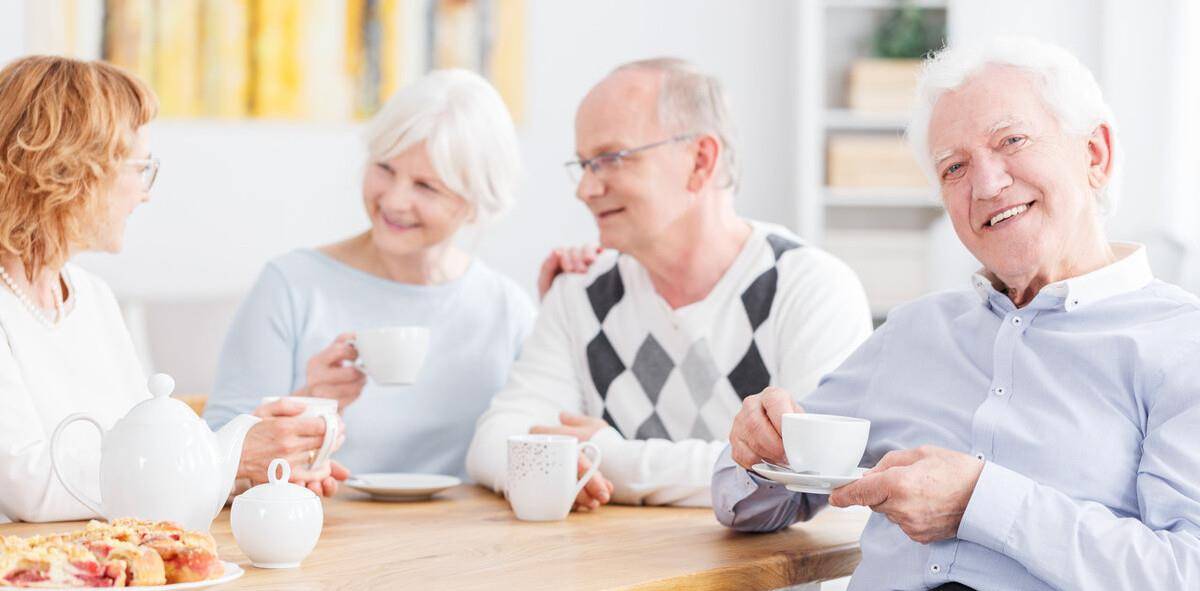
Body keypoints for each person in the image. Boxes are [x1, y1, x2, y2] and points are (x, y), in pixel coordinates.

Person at [715, 37, 1200, 591]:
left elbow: (1186, 571)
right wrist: (759, 449)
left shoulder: (1183, 344)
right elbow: (742, 503)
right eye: (955, 167)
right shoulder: (912, 332)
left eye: (1011, 140)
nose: (987, 185)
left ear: (1095, 154)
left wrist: (982, 500)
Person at [466, 58, 872, 509]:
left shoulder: (811, 289)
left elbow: (809, 477)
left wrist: (616, 461)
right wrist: (544, 468)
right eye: (583, 164)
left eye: (609, 159)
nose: (585, 189)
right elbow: (495, 441)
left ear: (700, 161)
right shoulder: (580, 291)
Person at [0, 55, 335, 522]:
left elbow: (147, 448)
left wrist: (251, 470)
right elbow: (26, 487)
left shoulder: (91, 296)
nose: (146, 191)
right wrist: (228, 454)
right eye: (140, 167)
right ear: (73, 170)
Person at [204, 69, 534, 481]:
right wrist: (311, 404)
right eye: (385, 168)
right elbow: (211, 454)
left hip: (472, 538)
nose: (395, 200)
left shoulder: (507, 309)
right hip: (324, 534)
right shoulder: (291, 285)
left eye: (426, 187)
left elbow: (537, 445)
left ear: (476, 202)